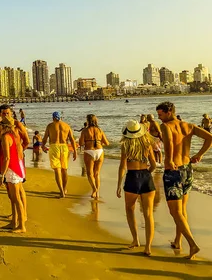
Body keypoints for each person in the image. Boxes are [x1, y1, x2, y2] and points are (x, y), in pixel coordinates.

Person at [157, 101, 212, 260]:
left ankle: (193, 244)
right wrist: (199, 154)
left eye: (160, 115)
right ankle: (177, 241)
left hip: (173, 171)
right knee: (182, 210)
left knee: (175, 212)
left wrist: (169, 160)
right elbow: (210, 138)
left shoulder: (166, 126)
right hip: (187, 169)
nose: (159, 118)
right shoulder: (189, 125)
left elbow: (168, 144)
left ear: (169, 112)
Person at [116, 119, 157, 256]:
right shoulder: (147, 144)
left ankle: (135, 240)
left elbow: (122, 167)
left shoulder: (125, 146)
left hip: (132, 178)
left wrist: (118, 184)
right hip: (146, 177)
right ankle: (148, 247)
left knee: (130, 210)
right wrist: (147, 174)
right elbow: (154, 164)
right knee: (148, 214)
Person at [0, 117, 27, 233]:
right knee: (14, 198)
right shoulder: (15, 135)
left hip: (12, 169)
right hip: (18, 168)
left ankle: (22, 226)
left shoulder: (6, 137)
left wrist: (2, 175)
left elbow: (6, 157)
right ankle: (14, 222)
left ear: (4, 126)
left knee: (16, 198)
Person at [42, 111, 77, 198]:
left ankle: (61, 191)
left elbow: (45, 138)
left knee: (57, 170)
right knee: (64, 169)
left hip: (54, 147)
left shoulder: (50, 126)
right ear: (61, 118)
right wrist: (75, 151)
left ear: (53, 118)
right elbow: (72, 139)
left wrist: (43, 146)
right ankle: (64, 189)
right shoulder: (67, 126)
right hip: (64, 147)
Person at [78, 114, 110, 199]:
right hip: (100, 151)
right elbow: (107, 143)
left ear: (87, 121)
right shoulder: (100, 130)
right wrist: (99, 142)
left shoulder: (85, 131)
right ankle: (97, 192)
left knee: (90, 173)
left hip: (89, 151)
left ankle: (94, 189)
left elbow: (81, 143)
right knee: (97, 173)